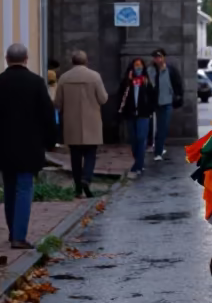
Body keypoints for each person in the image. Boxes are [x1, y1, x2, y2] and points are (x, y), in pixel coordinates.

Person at [0, 43, 56, 249]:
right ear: (26, 59)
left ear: (7, 59)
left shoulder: (0, 82)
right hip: (29, 146)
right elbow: (47, 115)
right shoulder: (36, 83)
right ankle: (19, 236)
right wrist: (51, 141)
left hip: (4, 147)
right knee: (24, 188)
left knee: (9, 188)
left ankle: (13, 231)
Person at [54, 51, 109, 198]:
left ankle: (78, 188)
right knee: (91, 154)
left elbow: (57, 102)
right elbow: (103, 99)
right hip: (91, 122)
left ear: (72, 62)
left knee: (75, 156)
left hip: (72, 123)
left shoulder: (64, 78)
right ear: (86, 62)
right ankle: (87, 179)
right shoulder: (95, 76)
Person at [118, 58, 156, 176]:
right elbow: (121, 95)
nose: (138, 68)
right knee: (133, 140)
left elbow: (152, 97)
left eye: (140, 66)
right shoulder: (127, 82)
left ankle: (139, 165)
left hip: (143, 115)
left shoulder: (146, 82)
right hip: (130, 114)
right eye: (136, 66)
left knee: (141, 138)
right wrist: (127, 82)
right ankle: (137, 161)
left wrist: (150, 111)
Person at [148, 48, 184, 161]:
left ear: (164, 57)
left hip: (167, 102)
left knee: (163, 127)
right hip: (155, 102)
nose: (158, 59)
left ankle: (159, 149)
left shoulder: (171, 70)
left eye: (160, 57)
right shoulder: (151, 70)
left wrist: (177, 96)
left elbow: (178, 84)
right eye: (156, 57)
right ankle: (157, 150)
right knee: (156, 127)